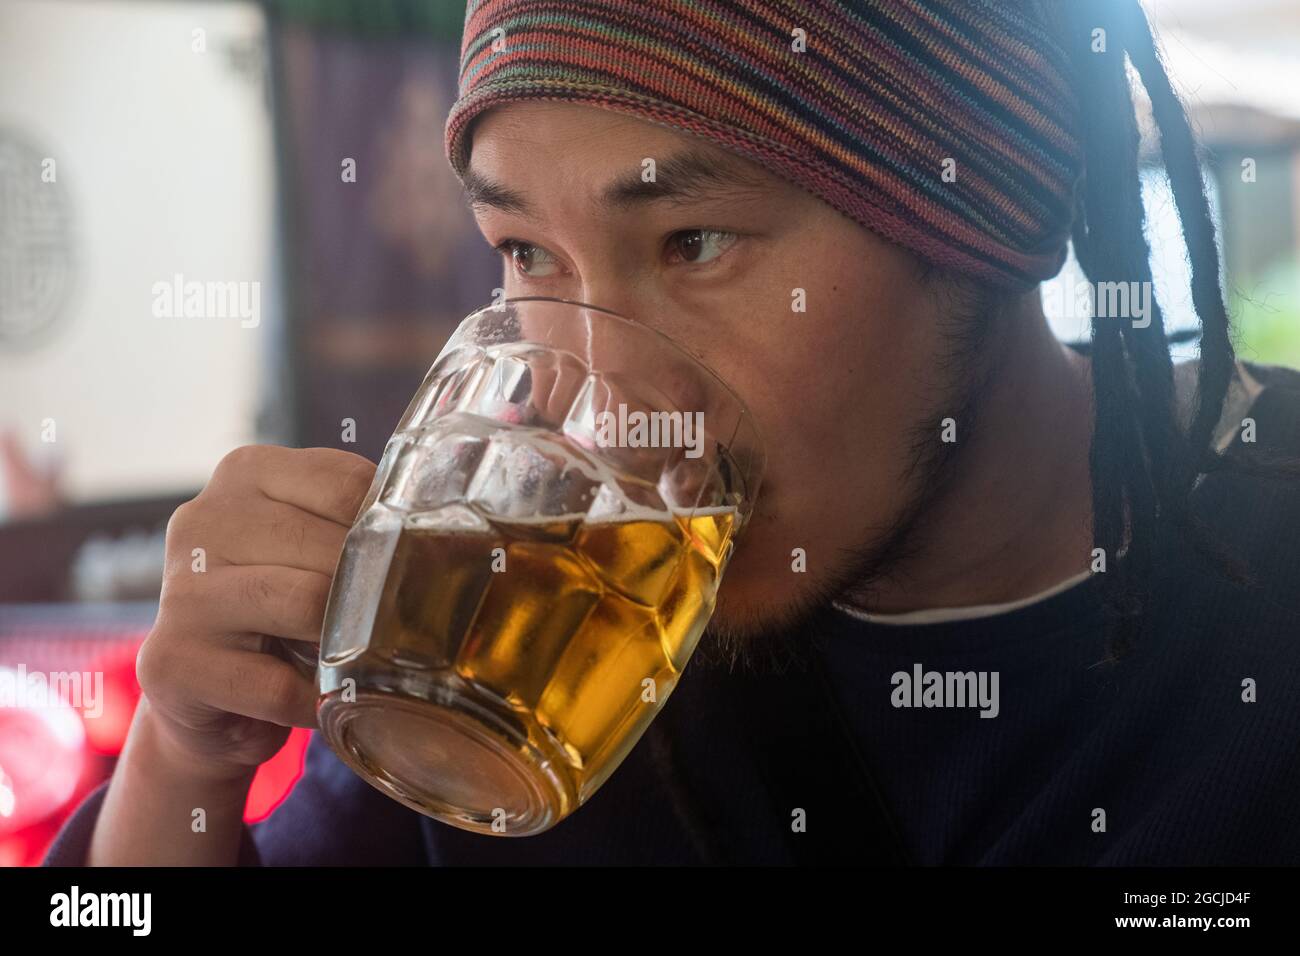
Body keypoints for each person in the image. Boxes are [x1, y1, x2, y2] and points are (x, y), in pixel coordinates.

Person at [45, 0, 1300, 866]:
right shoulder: (522, 625)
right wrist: (181, 759)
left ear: (992, 216)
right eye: (525, 252)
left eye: (693, 244)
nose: (600, 399)